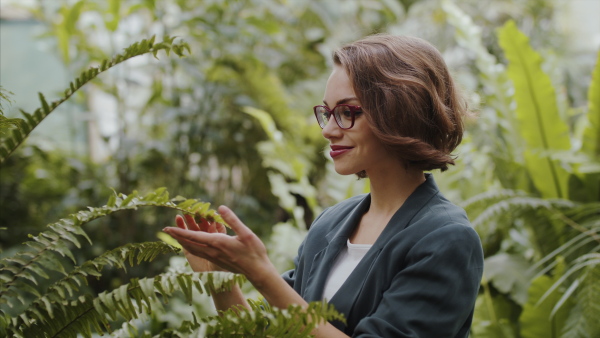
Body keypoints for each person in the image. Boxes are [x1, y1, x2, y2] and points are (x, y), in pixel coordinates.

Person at [163, 34, 484, 337]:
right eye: (326, 113)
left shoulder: (446, 239)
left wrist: (261, 273)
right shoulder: (330, 224)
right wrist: (220, 282)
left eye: (346, 112)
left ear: (399, 112)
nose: (328, 130)